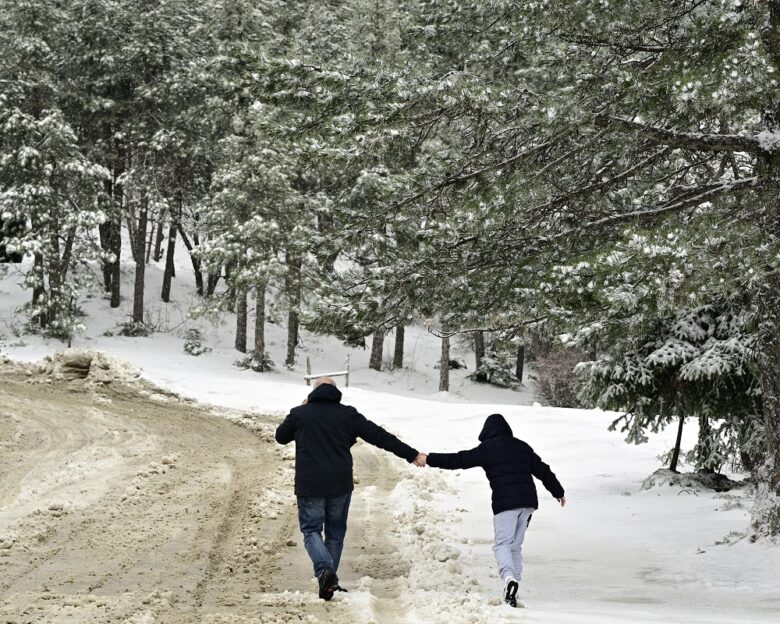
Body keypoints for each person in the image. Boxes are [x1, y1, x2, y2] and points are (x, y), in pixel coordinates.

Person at [275, 376, 423, 600]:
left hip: (310, 484)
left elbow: (281, 437)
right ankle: (329, 583)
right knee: (335, 534)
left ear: (314, 392)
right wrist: (411, 454)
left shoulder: (300, 414)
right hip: (339, 484)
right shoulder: (347, 414)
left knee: (311, 531)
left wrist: (299, 409)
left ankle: (325, 572)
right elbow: (379, 436)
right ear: (335, 392)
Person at [415, 413, 565, 608]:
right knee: (515, 546)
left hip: (505, 505)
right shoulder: (522, 446)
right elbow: (543, 470)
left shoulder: (487, 449)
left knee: (502, 544)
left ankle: (509, 578)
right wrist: (558, 491)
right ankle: (514, 585)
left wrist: (429, 459)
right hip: (528, 503)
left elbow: (458, 460)